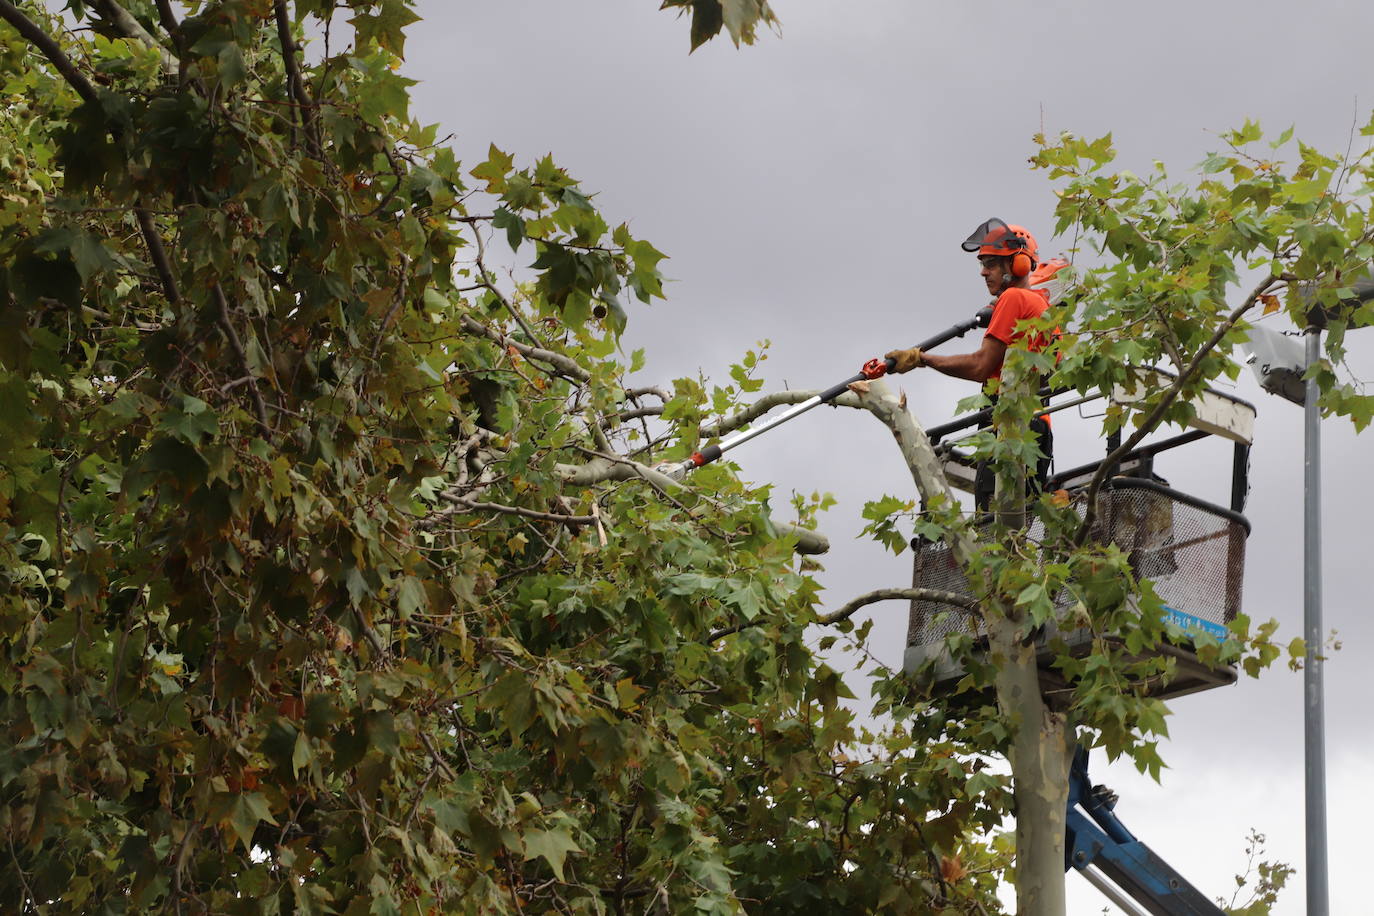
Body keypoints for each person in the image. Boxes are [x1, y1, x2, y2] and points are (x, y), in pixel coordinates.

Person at [886, 218, 1055, 510]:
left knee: (993, 524)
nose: (983, 271)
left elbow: (981, 365)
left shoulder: (1015, 298)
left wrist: (921, 359)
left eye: (991, 263)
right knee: (1019, 525)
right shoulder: (1040, 304)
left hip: (1011, 425)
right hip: (1035, 427)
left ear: (1018, 265)